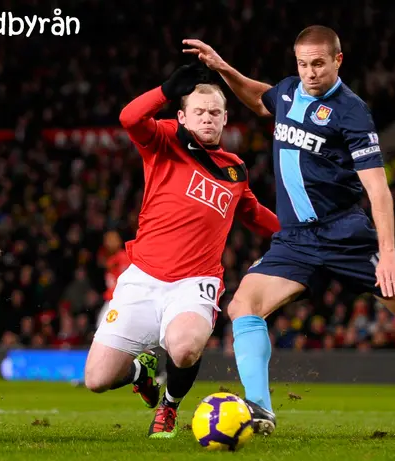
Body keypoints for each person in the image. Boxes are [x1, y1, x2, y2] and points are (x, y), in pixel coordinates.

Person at [183, 25, 395, 435]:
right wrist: (222, 68)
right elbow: (261, 98)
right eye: (303, 64)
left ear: (338, 60)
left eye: (318, 64)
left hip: (347, 238)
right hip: (296, 241)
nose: (310, 73)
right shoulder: (287, 91)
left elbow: (378, 189)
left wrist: (388, 253)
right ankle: (260, 410)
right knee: (242, 307)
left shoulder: (352, 111)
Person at [83, 63, 280, 439]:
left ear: (225, 119)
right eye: (199, 112)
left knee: (186, 348)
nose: (207, 118)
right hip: (142, 277)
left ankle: (169, 407)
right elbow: (129, 117)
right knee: (96, 379)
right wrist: (165, 88)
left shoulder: (235, 170)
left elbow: (253, 214)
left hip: (196, 281)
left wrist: (301, 234)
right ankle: (141, 373)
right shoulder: (164, 140)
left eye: (215, 113)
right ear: (182, 115)